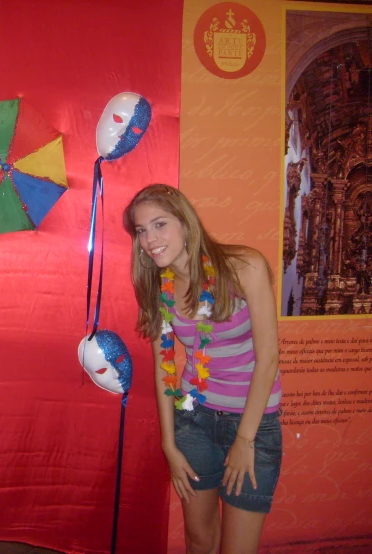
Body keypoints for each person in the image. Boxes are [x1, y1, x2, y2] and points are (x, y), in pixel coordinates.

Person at [123, 185, 282, 554]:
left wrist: (244, 440)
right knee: (199, 540)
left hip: (253, 423)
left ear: (185, 222)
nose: (149, 239)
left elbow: (269, 357)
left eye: (159, 224)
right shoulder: (157, 285)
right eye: (141, 230)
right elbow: (164, 370)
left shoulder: (244, 266)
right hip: (194, 421)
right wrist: (169, 443)